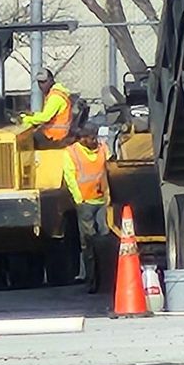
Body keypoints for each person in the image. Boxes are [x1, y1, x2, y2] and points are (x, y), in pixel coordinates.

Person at [63, 119, 110, 292]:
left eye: (96, 137)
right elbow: (70, 176)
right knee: (88, 243)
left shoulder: (103, 148)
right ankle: (92, 280)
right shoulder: (72, 152)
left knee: (106, 238)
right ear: (82, 138)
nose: (95, 141)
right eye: (91, 138)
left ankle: (106, 277)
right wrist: (79, 199)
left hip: (103, 202)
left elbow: (110, 168)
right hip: (85, 203)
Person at [20, 69, 73, 148]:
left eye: (44, 82)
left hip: (55, 137)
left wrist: (25, 119)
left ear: (51, 80)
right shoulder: (55, 93)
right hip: (53, 134)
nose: (41, 85)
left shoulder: (55, 97)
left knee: (25, 142)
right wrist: (33, 115)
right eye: (39, 82)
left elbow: (45, 117)